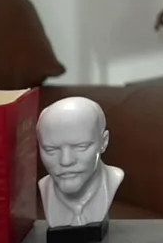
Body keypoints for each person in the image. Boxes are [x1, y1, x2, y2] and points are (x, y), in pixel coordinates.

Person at [36, 97, 124, 228]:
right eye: (51, 149)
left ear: (103, 142)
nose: (66, 161)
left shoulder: (113, 179)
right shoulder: (45, 188)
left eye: (81, 147)